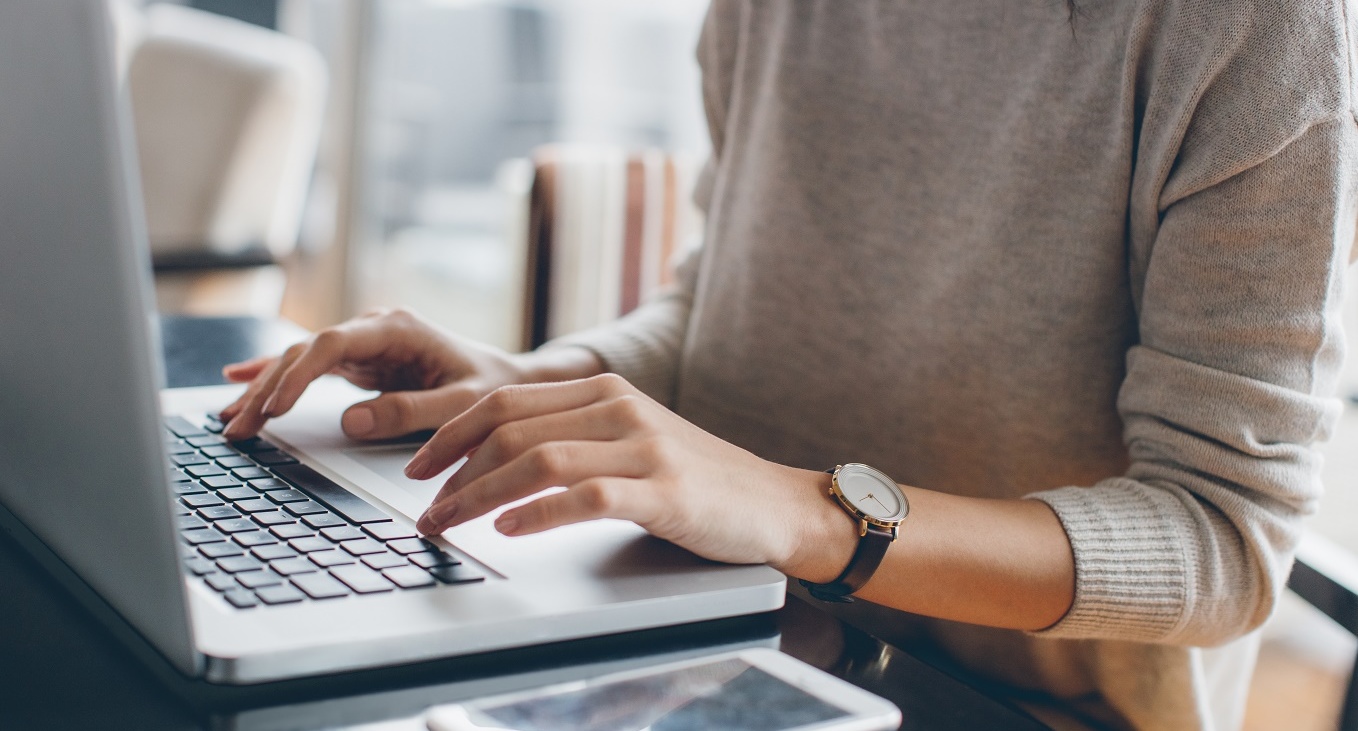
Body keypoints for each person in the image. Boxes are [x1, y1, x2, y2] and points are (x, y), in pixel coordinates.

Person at [219, 2, 1357, 729]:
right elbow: (719, 305)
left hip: (1000, 702)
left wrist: (810, 511)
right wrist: (532, 382)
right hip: (712, 634)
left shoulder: (1263, 30)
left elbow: (1223, 537)